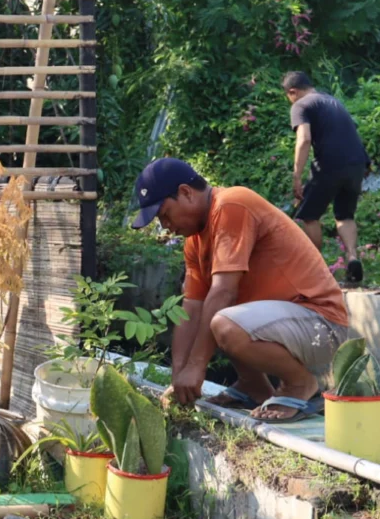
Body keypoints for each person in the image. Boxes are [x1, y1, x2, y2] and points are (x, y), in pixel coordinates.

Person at [131, 158, 352, 422]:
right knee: (218, 318)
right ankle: (252, 385)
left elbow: (224, 292)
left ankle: (301, 384)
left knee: (224, 322)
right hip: (285, 325)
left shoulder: (231, 204)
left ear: (186, 193)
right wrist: (179, 377)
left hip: (321, 324)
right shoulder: (194, 240)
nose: (165, 225)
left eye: (164, 214)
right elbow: (191, 308)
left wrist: (196, 367)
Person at [283, 71, 370, 284]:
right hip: (358, 163)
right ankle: (352, 258)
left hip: (330, 164)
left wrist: (296, 176)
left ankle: (318, 271)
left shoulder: (300, 105)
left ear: (292, 92)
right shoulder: (333, 101)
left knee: (309, 215)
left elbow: (303, 140)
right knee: (344, 215)